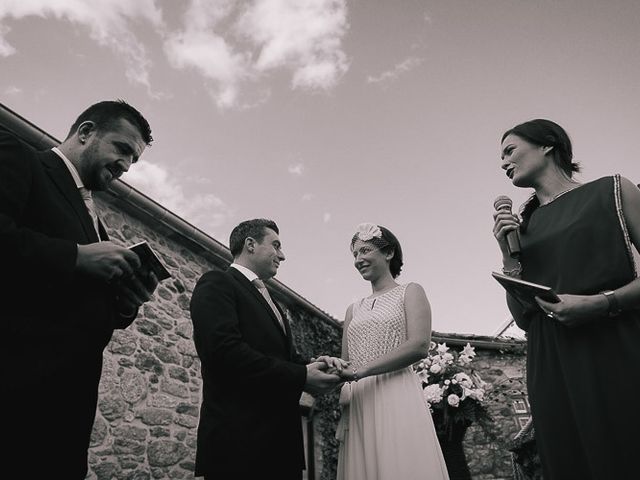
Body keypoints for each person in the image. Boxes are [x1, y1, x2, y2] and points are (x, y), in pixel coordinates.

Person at [1, 100, 159, 478]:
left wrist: (125, 303)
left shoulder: (94, 220)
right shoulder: (19, 157)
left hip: (67, 410)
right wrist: (75, 256)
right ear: (86, 132)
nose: (125, 166)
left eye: (133, 161)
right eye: (122, 149)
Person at [493, 118, 640, 480]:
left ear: (546, 144)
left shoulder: (614, 190)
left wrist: (604, 302)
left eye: (510, 150)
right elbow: (525, 317)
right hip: (551, 362)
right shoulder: (522, 229)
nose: (503, 162)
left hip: (614, 342)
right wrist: (508, 256)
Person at [189, 218, 342, 480]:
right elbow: (224, 353)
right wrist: (301, 376)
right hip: (240, 446)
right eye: (276, 245)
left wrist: (314, 365)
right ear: (250, 244)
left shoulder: (271, 301)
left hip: (281, 447)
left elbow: (282, 358)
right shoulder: (217, 283)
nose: (282, 255)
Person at [324, 222, 450, 480]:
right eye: (355, 255)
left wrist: (363, 370)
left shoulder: (410, 291)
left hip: (396, 392)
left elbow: (418, 346)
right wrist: (331, 366)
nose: (358, 259)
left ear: (388, 252)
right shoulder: (353, 309)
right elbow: (347, 362)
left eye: (365, 251)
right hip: (359, 399)